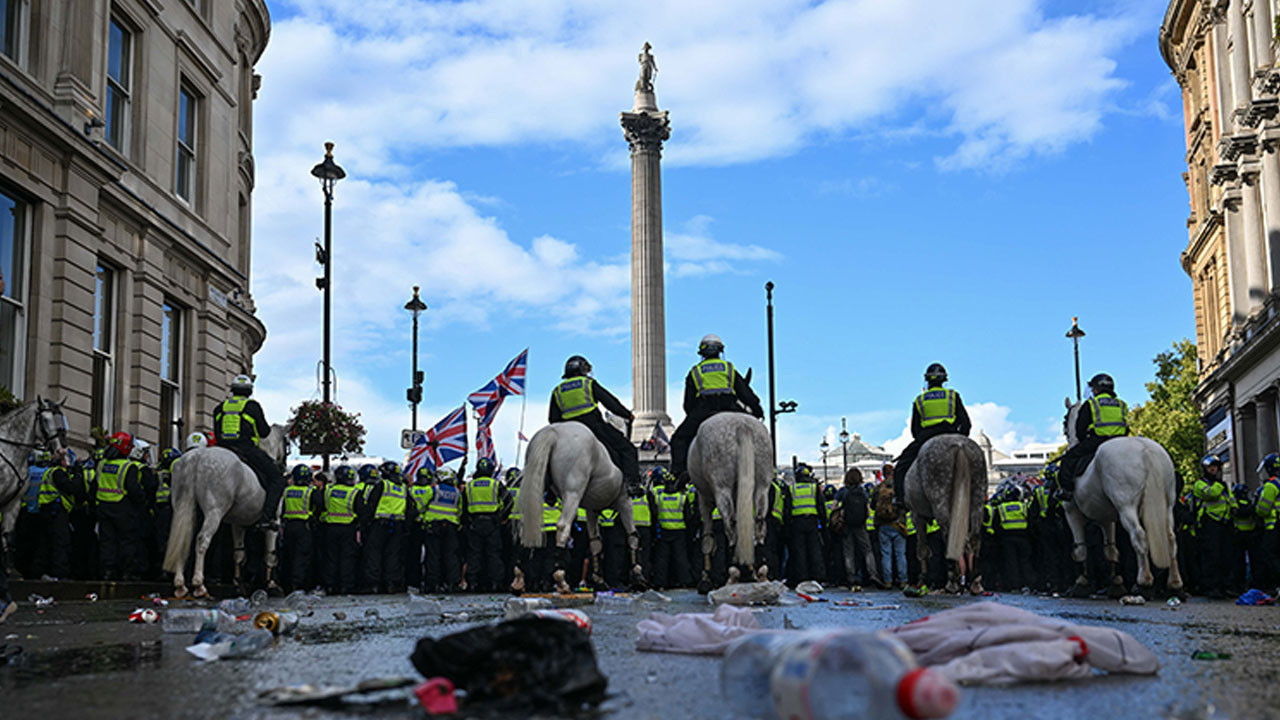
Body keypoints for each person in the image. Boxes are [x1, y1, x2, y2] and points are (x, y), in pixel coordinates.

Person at [670, 335, 764, 483]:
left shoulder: (695, 372)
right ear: (720, 351)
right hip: (730, 407)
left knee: (679, 439)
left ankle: (679, 473)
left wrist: (693, 415)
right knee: (757, 432)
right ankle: (767, 470)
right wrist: (757, 410)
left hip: (704, 409)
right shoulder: (729, 368)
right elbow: (745, 393)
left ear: (702, 353)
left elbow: (687, 404)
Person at [549, 356, 640, 492]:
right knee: (627, 449)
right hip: (593, 426)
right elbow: (610, 402)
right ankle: (632, 484)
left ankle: (549, 488)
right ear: (582, 370)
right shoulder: (588, 383)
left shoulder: (558, 390)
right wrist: (627, 414)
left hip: (567, 429)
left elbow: (553, 419)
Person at [892, 364, 971, 508]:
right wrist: (961, 439)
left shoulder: (920, 400)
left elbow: (915, 430)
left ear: (927, 381)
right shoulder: (952, 396)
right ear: (944, 380)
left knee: (900, 467)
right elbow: (965, 423)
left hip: (927, 436)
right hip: (952, 432)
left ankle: (900, 500)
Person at [212, 375, 284, 530]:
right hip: (246, 449)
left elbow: (216, 432)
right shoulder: (252, 406)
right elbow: (264, 432)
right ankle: (266, 518)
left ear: (232, 390)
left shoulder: (220, 407)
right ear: (249, 391)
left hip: (222, 449)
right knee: (277, 478)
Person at [1056, 373, 1128, 501]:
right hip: (1121, 440)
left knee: (1069, 458)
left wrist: (1084, 439)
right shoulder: (1121, 404)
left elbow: (1080, 429)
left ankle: (1067, 491)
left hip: (1098, 440)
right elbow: (1125, 425)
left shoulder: (1092, 403)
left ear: (1096, 389)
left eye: (1093, 388)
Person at [360, 460, 410, 593]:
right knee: (393, 555)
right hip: (398, 525)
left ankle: (373, 584)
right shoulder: (403, 488)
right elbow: (410, 508)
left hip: (380, 524)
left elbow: (372, 504)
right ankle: (391, 583)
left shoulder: (383, 485)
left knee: (374, 554)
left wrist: (366, 524)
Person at [462, 458, 507, 592]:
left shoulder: (469, 486)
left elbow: (463, 506)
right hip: (492, 522)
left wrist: (468, 521)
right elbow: (508, 501)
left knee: (474, 554)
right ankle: (495, 583)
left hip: (475, 523)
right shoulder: (496, 484)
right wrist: (501, 518)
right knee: (493, 554)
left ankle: (473, 583)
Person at [835, 468, 882, 589]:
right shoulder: (863, 492)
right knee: (867, 550)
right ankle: (873, 573)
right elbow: (868, 511)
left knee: (848, 552)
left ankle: (851, 577)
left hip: (846, 525)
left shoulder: (842, 492)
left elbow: (833, 507)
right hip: (861, 525)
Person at [35, 453, 77, 581]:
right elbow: (69, 488)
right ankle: (59, 573)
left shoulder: (48, 471)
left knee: (45, 542)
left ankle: (41, 571)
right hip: (56, 511)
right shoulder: (58, 472)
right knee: (60, 542)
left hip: (47, 510)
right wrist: (75, 480)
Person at [281, 465, 322, 592]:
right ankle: (298, 584)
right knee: (302, 556)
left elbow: (282, 508)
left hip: (288, 526)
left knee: (288, 555)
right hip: (304, 527)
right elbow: (320, 507)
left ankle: (286, 584)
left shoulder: (287, 491)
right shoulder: (311, 491)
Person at [321, 465, 360, 595]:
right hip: (348, 529)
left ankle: (330, 586)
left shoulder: (328, 490)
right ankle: (345, 586)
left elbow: (322, 506)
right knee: (347, 558)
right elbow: (361, 511)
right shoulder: (354, 492)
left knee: (330, 558)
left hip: (330, 528)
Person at [785, 464, 826, 585]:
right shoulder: (814, 488)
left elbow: (787, 509)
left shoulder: (792, 489)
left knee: (799, 551)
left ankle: (802, 577)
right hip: (812, 521)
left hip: (797, 522)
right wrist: (823, 523)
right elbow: (820, 506)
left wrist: (787, 525)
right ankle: (818, 576)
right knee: (815, 550)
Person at [422, 468, 462, 593]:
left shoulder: (434, 489)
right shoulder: (457, 492)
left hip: (434, 525)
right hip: (451, 526)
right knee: (451, 556)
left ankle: (433, 584)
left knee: (433, 556)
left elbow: (421, 505)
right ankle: (452, 583)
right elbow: (460, 510)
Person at [652, 468, 692, 589]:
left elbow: (654, 514)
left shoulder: (659, 498)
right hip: (679, 531)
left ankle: (660, 583)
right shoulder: (682, 498)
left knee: (662, 559)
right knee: (680, 558)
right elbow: (688, 516)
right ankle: (685, 581)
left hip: (664, 531)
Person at [997, 486, 1034, 592]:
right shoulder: (1023, 506)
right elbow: (1030, 521)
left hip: (1007, 538)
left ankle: (1014, 586)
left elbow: (996, 524)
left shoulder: (1001, 508)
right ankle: (1029, 584)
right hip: (1023, 538)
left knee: (1011, 563)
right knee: (1025, 562)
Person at [1252, 453, 1280, 593]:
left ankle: (1275, 585)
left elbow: (1263, 509)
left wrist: (1256, 508)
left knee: (1269, 556)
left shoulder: (1271, 485)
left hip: (1273, 526)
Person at [872, 476, 906, 588]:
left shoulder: (878, 488)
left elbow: (873, 506)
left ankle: (888, 581)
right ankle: (903, 580)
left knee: (886, 554)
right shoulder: (899, 486)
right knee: (900, 554)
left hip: (883, 524)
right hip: (898, 524)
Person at [406, 467, 435, 592]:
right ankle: (430, 582)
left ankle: (414, 582)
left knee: (413, 555)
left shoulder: (411, 490)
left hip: (413, 525)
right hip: (428, 524)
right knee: (431, 555)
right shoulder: (432, 490)